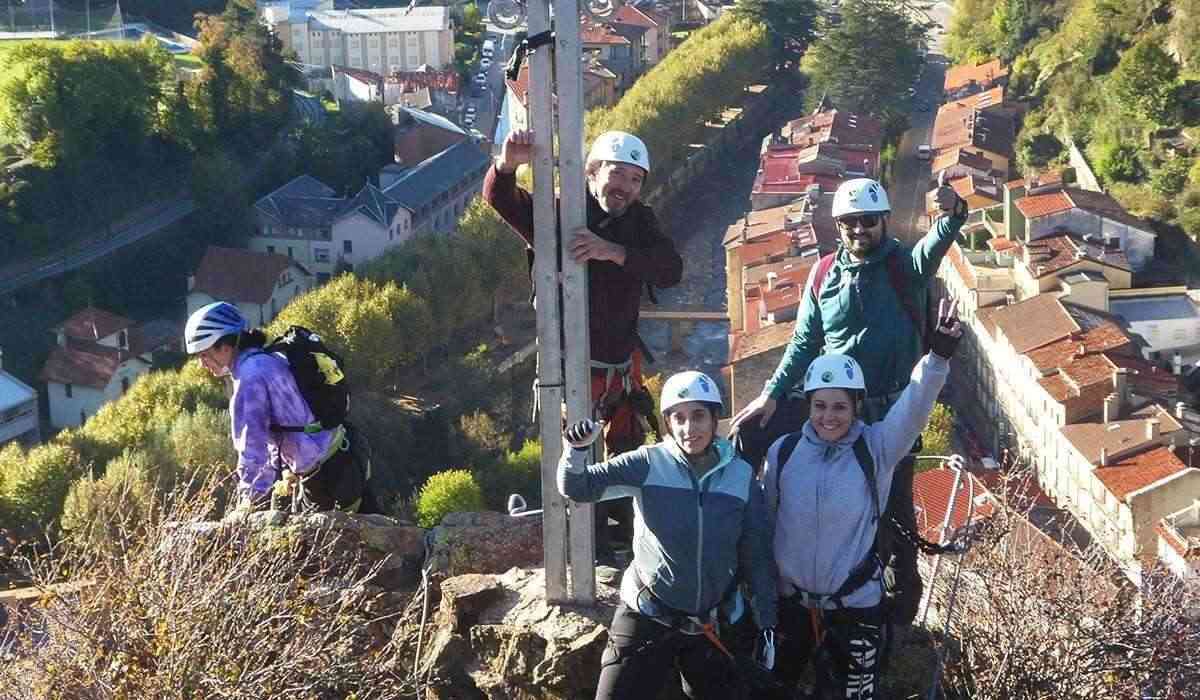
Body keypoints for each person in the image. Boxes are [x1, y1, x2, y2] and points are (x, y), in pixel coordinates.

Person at [730, 175, 968, 624]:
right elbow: (804, 341)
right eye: (850, 223)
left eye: (868, 222)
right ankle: (753, 560)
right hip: (832, 410)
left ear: (883, 222)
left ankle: (895, 616)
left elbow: (939, 239)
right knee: (755, 440)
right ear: (838, 226)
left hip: (890, 411)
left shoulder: (905, 266)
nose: (859, 230)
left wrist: (952, 211)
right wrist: (772, 395)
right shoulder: (824, 274)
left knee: (893, 515)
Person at [486, 128, 683, 556]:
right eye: (618, 174)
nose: (626, 187)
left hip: (619, 362)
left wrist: (613, 251)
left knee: (626, 451)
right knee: (581, 456)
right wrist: (506, 167)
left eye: (635, 179)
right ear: (592, 172)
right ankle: (590, 546)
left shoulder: (639, 223)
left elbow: (670, 268)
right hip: (572, 363)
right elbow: (504, 202)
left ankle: (628, 537)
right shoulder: (560, 217)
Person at [763, 300, 963, 700]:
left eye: (840, 406)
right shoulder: (782, 454)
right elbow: (766, 523)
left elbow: (914, 406)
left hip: (855, 610)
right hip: (791, 608)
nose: (829, 416)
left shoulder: (877, 449)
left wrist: (938, 356)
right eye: (820, 406)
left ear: (856, 406)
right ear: (809, 406)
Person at [558, 371, 776, 700]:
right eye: (679, 418)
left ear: (715, 417)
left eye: (699, 415)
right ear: (668, 423)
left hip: (711, 622)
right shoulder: (648, 463)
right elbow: (578, 487)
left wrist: (766, 623)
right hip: (647, 615)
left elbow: (755, 551)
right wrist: (575, 450)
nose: (690, 428)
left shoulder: (740, 475)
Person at [184, 302, 370, 513]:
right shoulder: (269, 359)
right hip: (345, 454)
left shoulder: (249, 379)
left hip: (325, 478)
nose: (202, 363)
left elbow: (252, 447)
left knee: (311, 544)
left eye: (204, 354)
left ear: (225, 346)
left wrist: (248, 501)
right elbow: (283, 427)